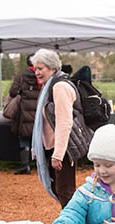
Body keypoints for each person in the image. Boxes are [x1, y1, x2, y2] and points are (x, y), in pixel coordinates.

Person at [31, 49, 78, 208]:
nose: (36, 72)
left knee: (65, 191)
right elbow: (41, 123)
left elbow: (64, 122)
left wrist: (58, 154)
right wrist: (37, 148)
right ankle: (70, 223)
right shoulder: (47, 88)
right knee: (58, 189)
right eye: (35, 69)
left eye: (40, 68)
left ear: (52, 68)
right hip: (52, 147)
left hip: (64, 148)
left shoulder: (60, 87)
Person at [8, 54, 41, 175]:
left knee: (24, 140)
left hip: (24, 112)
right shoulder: (43, 75)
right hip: (38, 112)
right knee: (38, 139)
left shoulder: (21, 76)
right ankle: (40, 165)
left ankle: (25, 166)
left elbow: (12, 92)